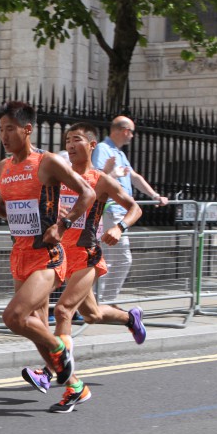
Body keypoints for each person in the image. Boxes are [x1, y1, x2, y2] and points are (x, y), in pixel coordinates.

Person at [19, 123, 146, 413]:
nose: (71, 144)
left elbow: (135, 207)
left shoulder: (100, 180)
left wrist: (121, 228)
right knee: (92, 314)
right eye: (67, 140)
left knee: (63, 311)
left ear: (91, 145)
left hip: (86, 255)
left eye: (76, 139)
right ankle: (129, 318)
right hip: (60, 254)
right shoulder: (60, 174)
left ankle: (51, 374)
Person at [0, 101, 95, 388]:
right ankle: (75, 387)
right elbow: (9, 212)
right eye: (0, 130)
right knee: (37, 326)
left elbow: (88, 193)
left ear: (27, 129)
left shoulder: (47, 162)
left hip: (47, 256)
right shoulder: (4, 167)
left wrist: (64, 224)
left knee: (14, 317)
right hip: (20, 254)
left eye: (10, 129)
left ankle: (60, 351)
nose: (3, 136)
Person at [92, 116, 168, 303]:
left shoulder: (119, 153)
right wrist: (113, 174)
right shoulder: (103, 149)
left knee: (114, 259)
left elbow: (135, 177)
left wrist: (154, 195)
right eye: (132, 132)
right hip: (110, 210)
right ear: (124, 130)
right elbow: (96, 178)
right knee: (117, 259)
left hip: (118, 212)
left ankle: (101, 303)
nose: (132, 136)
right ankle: (100, 303)